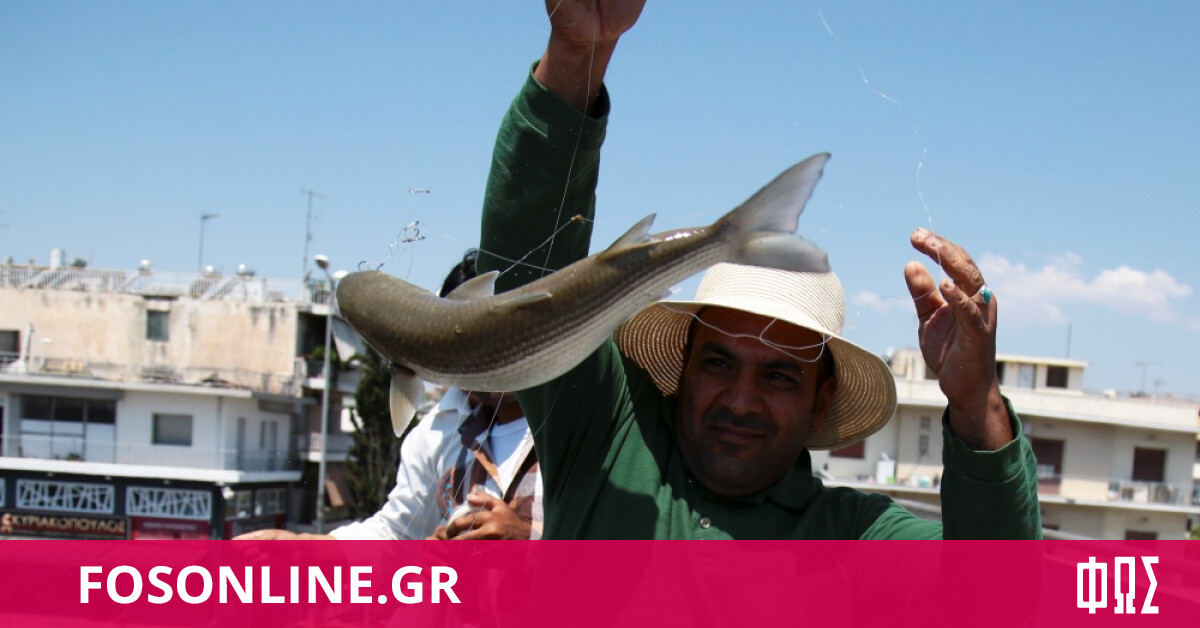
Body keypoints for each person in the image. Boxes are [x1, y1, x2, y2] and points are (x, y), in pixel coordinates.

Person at [475, 0, 1040, 539]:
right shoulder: (606, 431)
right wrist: (577, 53)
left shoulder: (853, 537)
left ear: (822, 401)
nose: (740, 401)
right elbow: (525, 287)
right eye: (718, 363)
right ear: (682, 368)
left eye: (779, 377)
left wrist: (977, 404)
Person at [236, 250, 542, 541]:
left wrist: (529, 537)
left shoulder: (565, 424)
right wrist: (305, 546)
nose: (486, 353)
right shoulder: (439, 433)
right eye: (465, 340)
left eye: (499, 334)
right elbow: (398, 533)